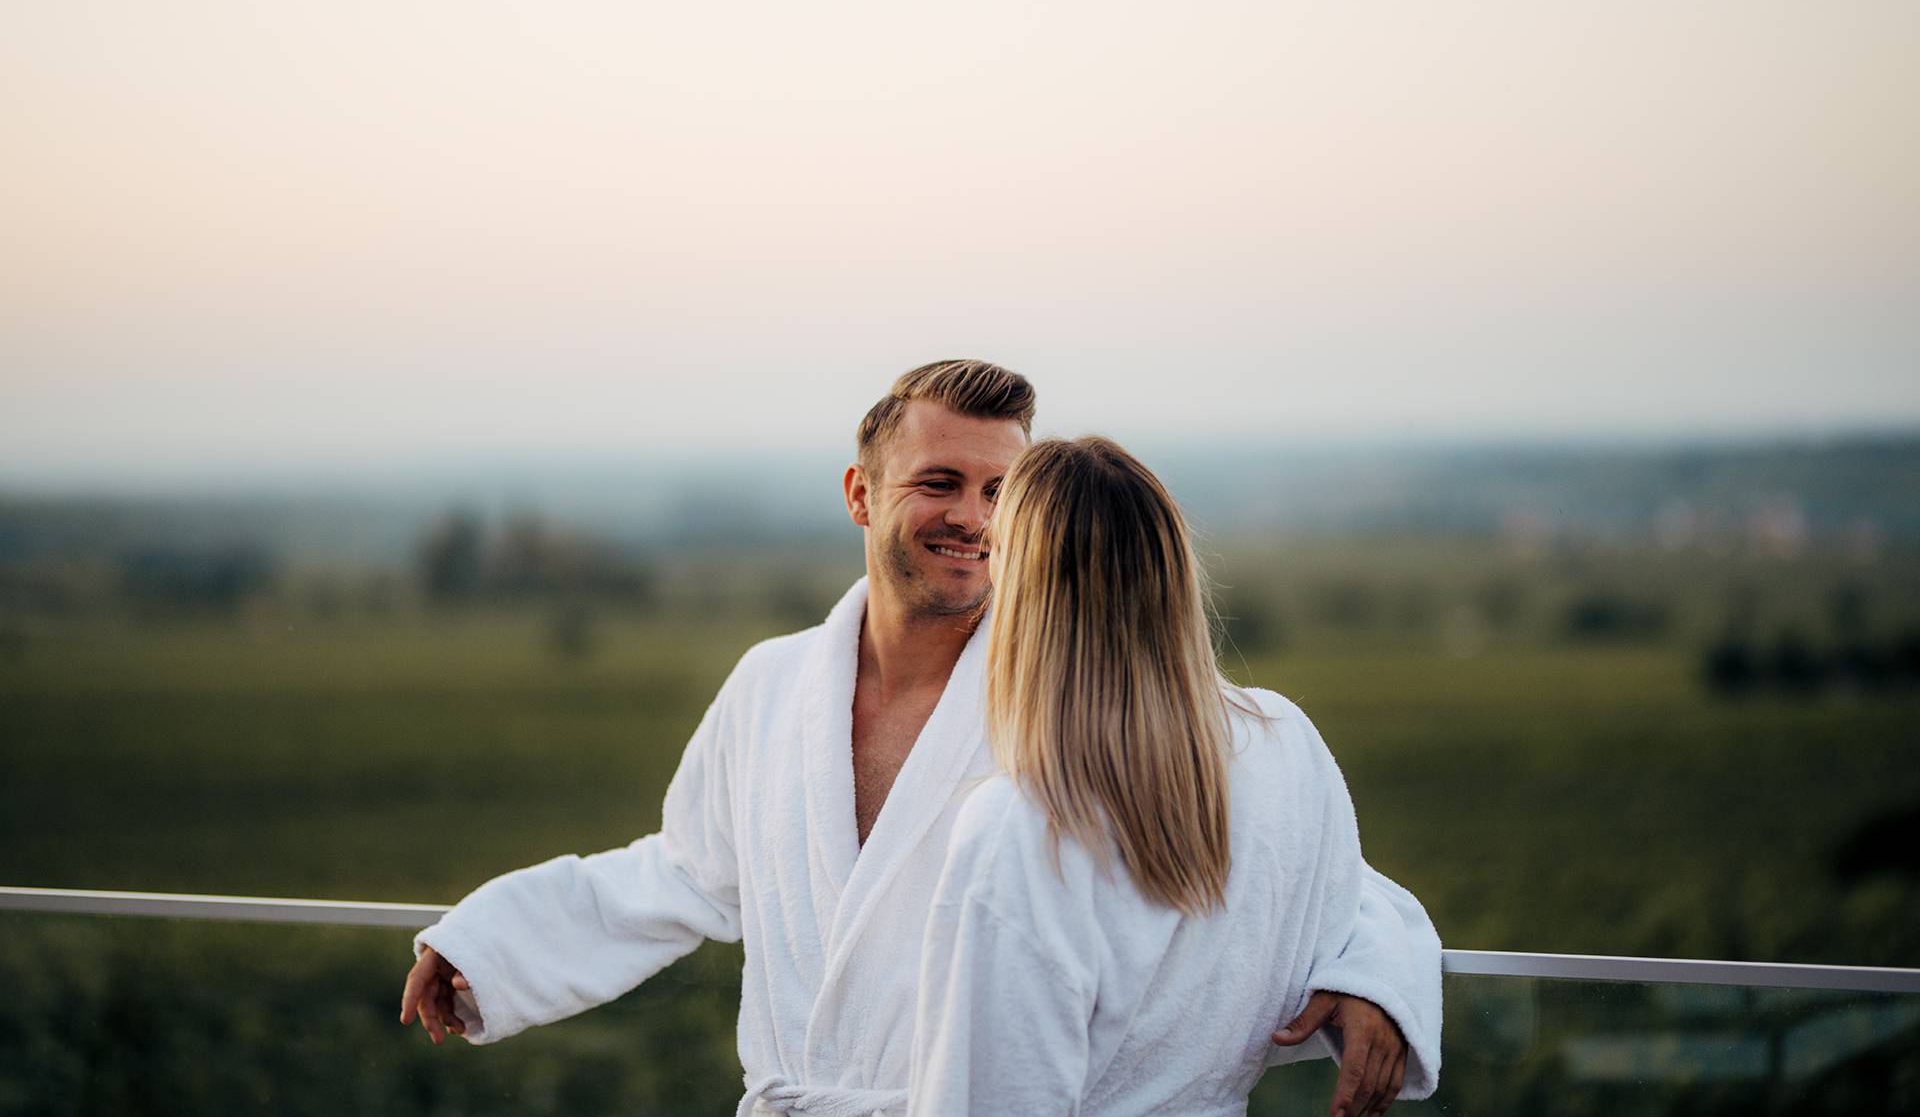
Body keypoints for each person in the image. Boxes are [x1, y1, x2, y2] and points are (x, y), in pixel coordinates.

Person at [399, 361, 1440, 1117]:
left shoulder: (1077, 696)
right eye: (939, 482)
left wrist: (1376, 974)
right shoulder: (772, 687)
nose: (975, 519)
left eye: (1001, 492)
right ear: (861, 493)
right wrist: (495, 942)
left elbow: (1279, 833)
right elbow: (683, 872)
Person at [908, 436, 1427, 1116]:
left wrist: (1372, 977)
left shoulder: (1024, 822)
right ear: (1173, 571)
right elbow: (1348, 889)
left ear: (1024, 587)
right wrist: (1377, 974)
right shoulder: (1282, 745)